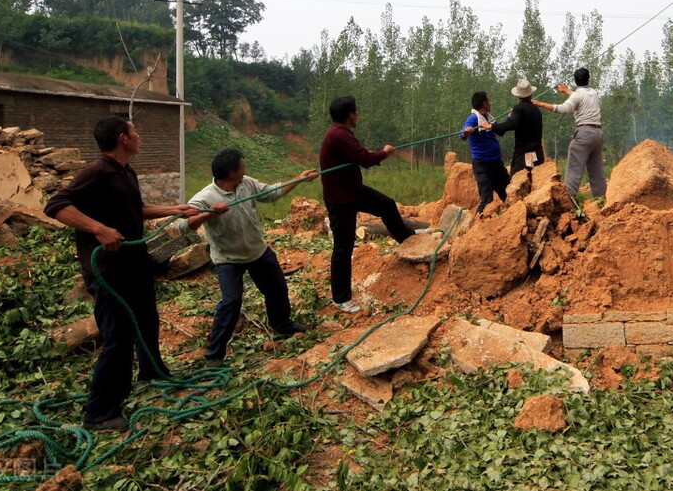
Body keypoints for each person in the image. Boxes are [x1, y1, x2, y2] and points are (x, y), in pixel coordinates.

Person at [44, 116, 198, 432]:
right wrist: (99, 229)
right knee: (118, 337)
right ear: (122, 138)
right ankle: (99, 413)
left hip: (134, 264)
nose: (138, 135)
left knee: (147, 319)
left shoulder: (126, 171)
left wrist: (174, 209)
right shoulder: (96, 172)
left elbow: (135, 209)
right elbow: (56, 205)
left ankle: (152, 372)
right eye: (134, 131)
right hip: (108, 272)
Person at [177, 149, 317, 363]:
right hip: (228, 259)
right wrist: (210, 214)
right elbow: (183, 226)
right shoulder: (205, 198)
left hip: (257, 251)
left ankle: (281, 324)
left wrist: (299, 179)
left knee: (277, 287)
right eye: (242, 166)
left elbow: (271, 193)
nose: (245, 170)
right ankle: (214, 355)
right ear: (231, 173)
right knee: (231, 301)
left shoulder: (246, 184)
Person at [320, 96, 411, 313]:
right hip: (340, 199)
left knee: (386, 205)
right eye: (356, 112)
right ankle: (340, 298)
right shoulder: (339, 135)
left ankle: (408, 241)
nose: (358, 115)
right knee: (343, 246)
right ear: (350, 115)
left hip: (352, 191)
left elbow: (358, 154)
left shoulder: (340, 134)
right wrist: (386, 152)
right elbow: (366, 159)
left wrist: (374, 154)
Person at [533, 67, 607, 198]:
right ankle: (601, 200)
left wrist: (540, 104)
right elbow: (579, 96)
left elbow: (564, 108)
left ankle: (569, 201)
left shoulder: (576, 95)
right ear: (588, 79)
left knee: (574, 169)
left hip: (584, 134)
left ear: (575, 80)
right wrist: (566, 91)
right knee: (597, 171)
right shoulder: (594, 93)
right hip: (598, 134)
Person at [460, 91, 508, 214]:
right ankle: (478, 223)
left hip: (496, 163)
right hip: (482, 165)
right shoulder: (473, 118)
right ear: (484, 103)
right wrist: (466, 131)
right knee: (487, 199)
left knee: (506, 192)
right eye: (489, 100)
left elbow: (500, 131)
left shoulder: (488, 118)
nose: (490, 103)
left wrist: (509, 118)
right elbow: (462, 135)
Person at [487, 77, 545, 176]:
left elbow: (512, 125)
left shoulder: (518, 109)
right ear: (531, 94)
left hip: (523, 157)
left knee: (517, 184)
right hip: (538, 155)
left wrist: (492, 126)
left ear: (518, 95)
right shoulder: (536, 110)